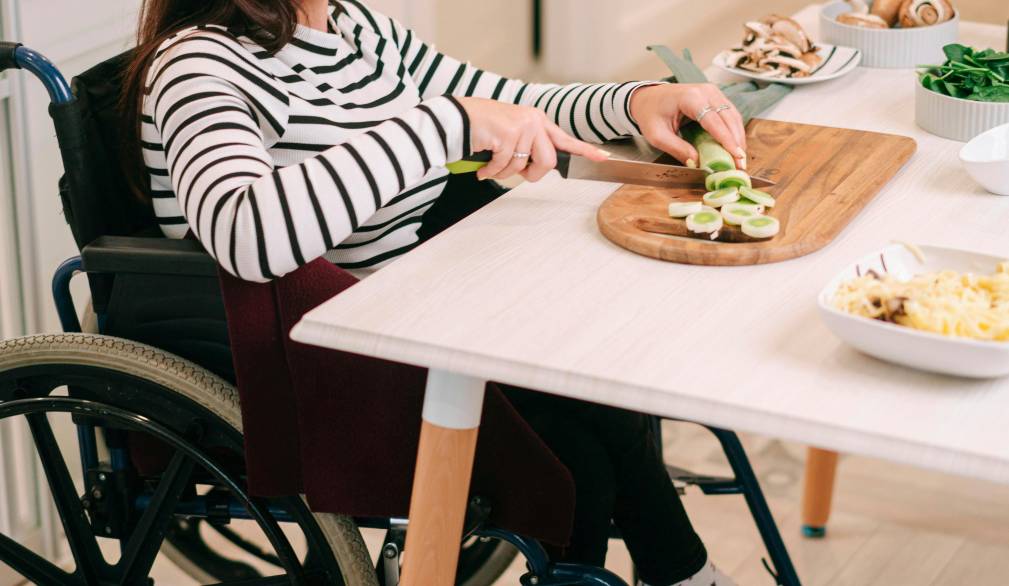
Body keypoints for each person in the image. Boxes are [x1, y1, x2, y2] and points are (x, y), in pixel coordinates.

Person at [122, 1, 747, 584]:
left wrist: (636, 101)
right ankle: (684, 572)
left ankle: (680, 571)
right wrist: (444, 124)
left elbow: (509, 102)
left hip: (417, 306)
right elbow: (246, 235)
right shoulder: (197, 65)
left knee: (586, 384)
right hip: (319, 354)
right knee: (571, 435)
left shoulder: (355, 26)